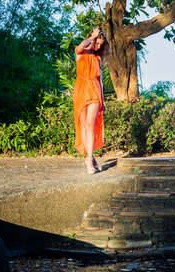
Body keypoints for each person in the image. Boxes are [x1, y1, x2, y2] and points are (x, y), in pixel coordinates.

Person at [73, 28, 110, 174]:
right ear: (92, 40)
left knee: (91, 125)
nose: (98, 47)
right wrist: (92, 37)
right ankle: (91, 158)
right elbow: (79, 47)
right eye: (97, 43)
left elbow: (100, 81)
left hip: (94, 90)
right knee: (83, 126)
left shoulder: (98, 58)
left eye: (101, 45)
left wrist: (103, 100)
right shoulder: (80, 53)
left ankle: (89, 160)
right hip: (81, 89)